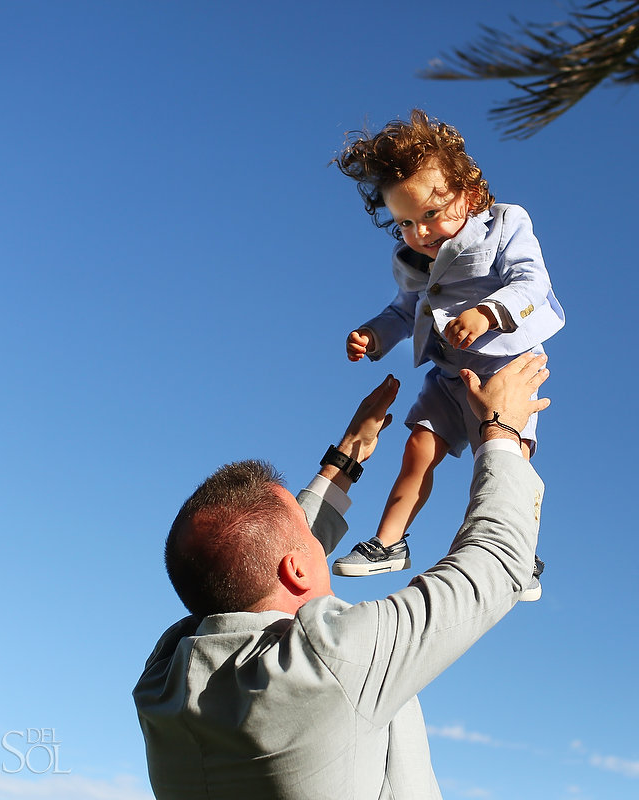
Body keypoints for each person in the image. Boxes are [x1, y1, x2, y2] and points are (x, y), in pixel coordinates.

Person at [133, 352, 550, 800]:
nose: (320, 541)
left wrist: (346, 457)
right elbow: (495, 561)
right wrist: (502, 431)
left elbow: (259, 557)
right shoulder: (332, 661)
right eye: (310, 539)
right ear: (295, 569)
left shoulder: (162, 682)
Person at [330, 109, 564, 584]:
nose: (420, 232)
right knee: (418, 447)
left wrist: (487, 313)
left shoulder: (505, 224)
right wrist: (374, 336)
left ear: (470, 194)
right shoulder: (415, 258)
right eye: (406, 223)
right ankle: (389, 543)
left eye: (431, 215)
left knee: (503, 459)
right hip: (447, 375)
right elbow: (403, 310)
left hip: (505, 373)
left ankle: (518, 553)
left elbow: (531, 282)